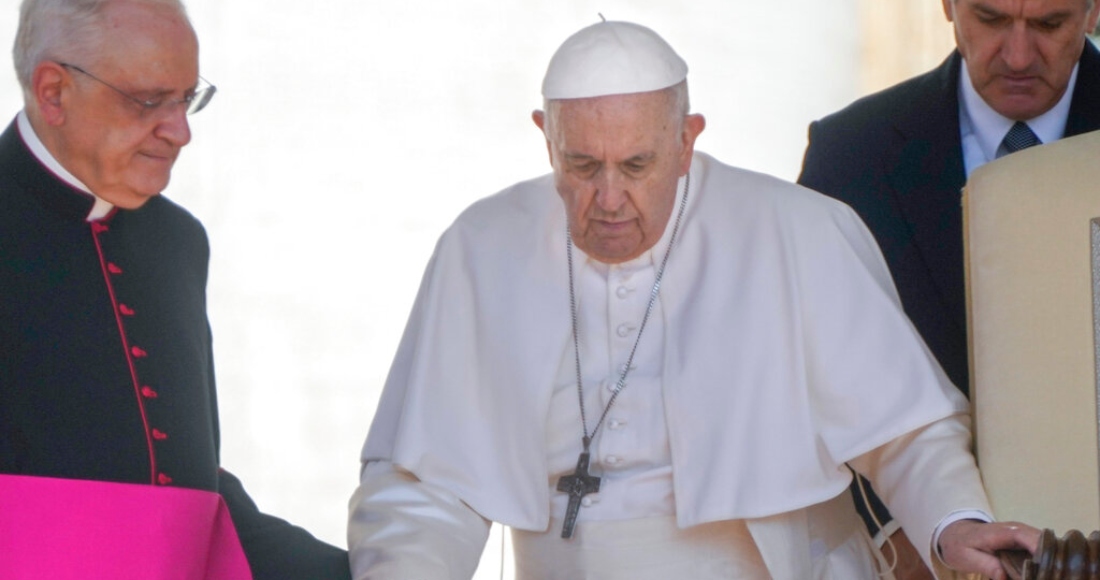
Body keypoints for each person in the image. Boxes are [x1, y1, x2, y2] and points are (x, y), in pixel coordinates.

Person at [348, 19, 1037, 580]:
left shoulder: (795, 230)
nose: (609, 200)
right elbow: (425, 478)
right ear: (545, 138)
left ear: (686, 140)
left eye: (637, 165)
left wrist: (954, 525)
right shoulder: (481, 248)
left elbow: (905, 428)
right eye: (582, 167)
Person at [0, 0, 350, 578]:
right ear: (54, 92)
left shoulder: (177, 240)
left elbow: (191, 499)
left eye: (187, 99)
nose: (180, 131)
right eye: (148, 101)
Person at [797, 1, 1100, 576]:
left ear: (1093, 11)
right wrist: (901, 532)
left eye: (1048, 24)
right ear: (948, 5)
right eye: (989, 19)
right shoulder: (849, 155)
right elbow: (815, 371)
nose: (1017, 56)